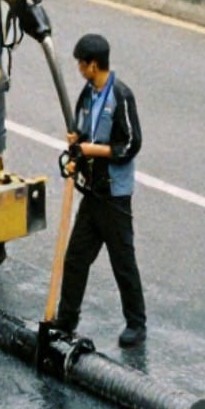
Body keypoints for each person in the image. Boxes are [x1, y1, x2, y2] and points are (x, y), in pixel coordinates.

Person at [52, 33, 146, 349]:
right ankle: (66, 319)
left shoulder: (120, 96)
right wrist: (76, 148)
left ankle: (137, 324)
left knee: (123, 260)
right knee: (76, 257)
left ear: (93, 65)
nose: (78, 68)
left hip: (114, 195)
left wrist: (93, 149)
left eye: (81, 63)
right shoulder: (88, 94)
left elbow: (131, 145)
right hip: (91, 193)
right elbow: (80, 132)